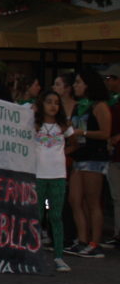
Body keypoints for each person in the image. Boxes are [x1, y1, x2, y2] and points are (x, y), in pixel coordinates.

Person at [64, 67, 113, 258]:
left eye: (78, 82)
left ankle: (95, 242)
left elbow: (105, 133)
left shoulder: (99, 106)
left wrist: (83, 133)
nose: (75, 86)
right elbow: (74, 135)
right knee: (75, 199)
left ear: (88, 84)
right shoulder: (79, 106)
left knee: (92, 201)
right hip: (79, 156)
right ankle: (82, 239)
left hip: (94, 158)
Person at [33, 90, 74, 272]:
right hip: (38, 175)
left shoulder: (64, 126)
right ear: (42, 104)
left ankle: (59, 256)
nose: (53, 106)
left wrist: (60, 155)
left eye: (56, 103)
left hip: (58, 175)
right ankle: (33, 253)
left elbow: (75, 143)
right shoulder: (34, 124)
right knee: (37, 215)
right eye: (49, 102)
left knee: (55, 216)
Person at [102, 63, 120, 249]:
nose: (107, 82)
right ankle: (117, 232)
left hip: (116, 155)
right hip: (114, 157)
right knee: (117, 197)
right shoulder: (112, 102)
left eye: (110, 78)